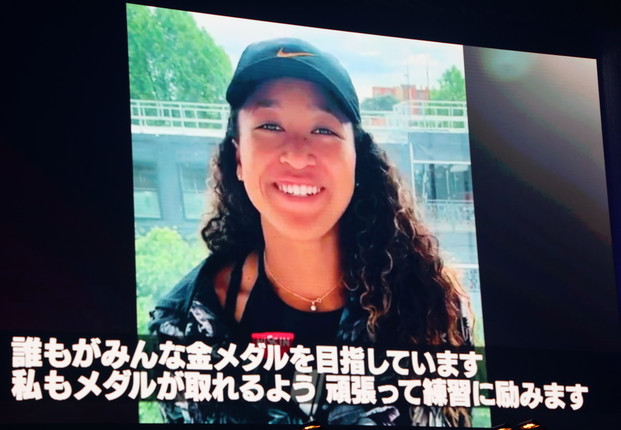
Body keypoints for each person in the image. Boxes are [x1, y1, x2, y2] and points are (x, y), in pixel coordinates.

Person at [149, 38, 474, 426]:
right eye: (270, 126)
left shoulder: (432, 303)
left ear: (357, 159)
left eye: (323, 129)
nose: (297, 155)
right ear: (238, 158)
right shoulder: (185, 325)